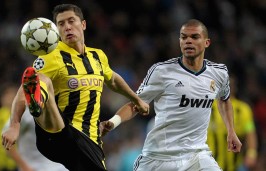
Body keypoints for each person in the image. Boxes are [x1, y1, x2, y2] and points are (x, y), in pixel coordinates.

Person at [1, 3, 149, 171]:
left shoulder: (97, 56)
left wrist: (136, 99)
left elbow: (113, 79)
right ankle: (39, 103)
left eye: (71, 21)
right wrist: (14, 125)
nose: (67, 27)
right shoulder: (52, 57)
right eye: (61, 24)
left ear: (83, 24)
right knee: (41, 79)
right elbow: (23, 89)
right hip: (57, 133)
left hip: (89, 141)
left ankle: (41, 102)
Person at [100, 19, 242, 171]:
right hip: (159, 157)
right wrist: (113, 122)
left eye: (194, 37)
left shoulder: (219, 73)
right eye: (183, 37)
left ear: (207, 42)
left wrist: (231, 131)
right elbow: (136, 104)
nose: (188, 41)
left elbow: (224, 100)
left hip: (196, 155)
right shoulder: (162, 71)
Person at [207, 75, 258, 171]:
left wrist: (252, 153)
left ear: (235, 87)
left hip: (235, 166)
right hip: (208, 165)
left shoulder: (243, 109)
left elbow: (250, 131)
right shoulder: (208, 106)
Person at [3, 108, 68, 171]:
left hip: (61, 166)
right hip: (34, 167)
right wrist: (24, 167)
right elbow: (6, 141)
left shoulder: (61, 109)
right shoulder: (25, 114)